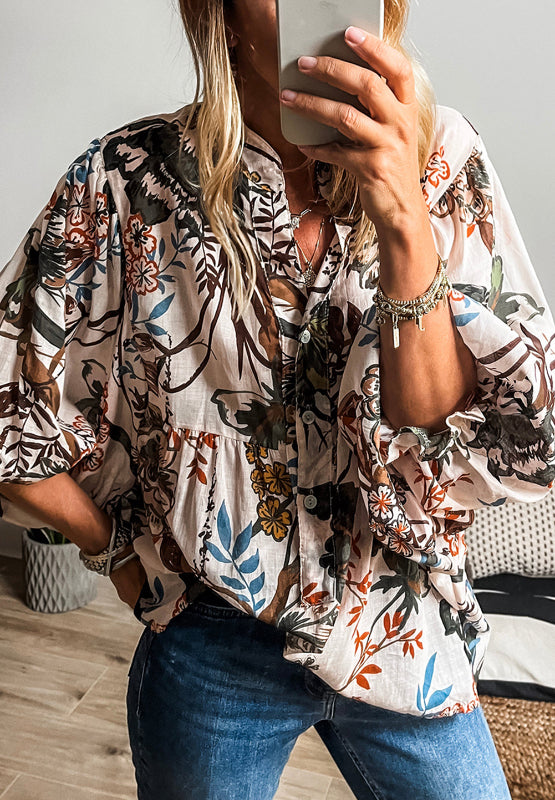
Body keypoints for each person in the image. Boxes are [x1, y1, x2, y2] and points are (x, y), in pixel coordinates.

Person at [0, 0, 553, 798]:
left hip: (403, 627)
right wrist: (114, 550)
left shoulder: (443, 161)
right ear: (220, 15)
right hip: (214, 637)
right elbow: (10, 405)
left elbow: (446, 442)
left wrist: (403, 218)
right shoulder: (127, 180)